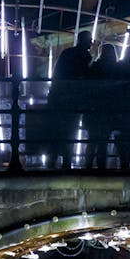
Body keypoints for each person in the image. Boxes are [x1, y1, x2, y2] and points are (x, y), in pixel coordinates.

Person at [44, 30, 93, 169]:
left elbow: (58, 74)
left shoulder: (67, 53)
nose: (91, 43)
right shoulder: (84, 56)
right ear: (84, 41)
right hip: (73, 101)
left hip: (58, 98)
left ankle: (52, 161)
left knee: (57, 131)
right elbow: (85, 77)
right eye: (90, 40)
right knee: (70, 131)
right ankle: (66, 162)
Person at [84, 42, 129, 169]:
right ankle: (101, 165)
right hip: (111, 109)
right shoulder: (117, 68)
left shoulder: (95, 67)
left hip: (95, 108)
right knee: (105, 139)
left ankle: (88, 165)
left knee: (92, 139)